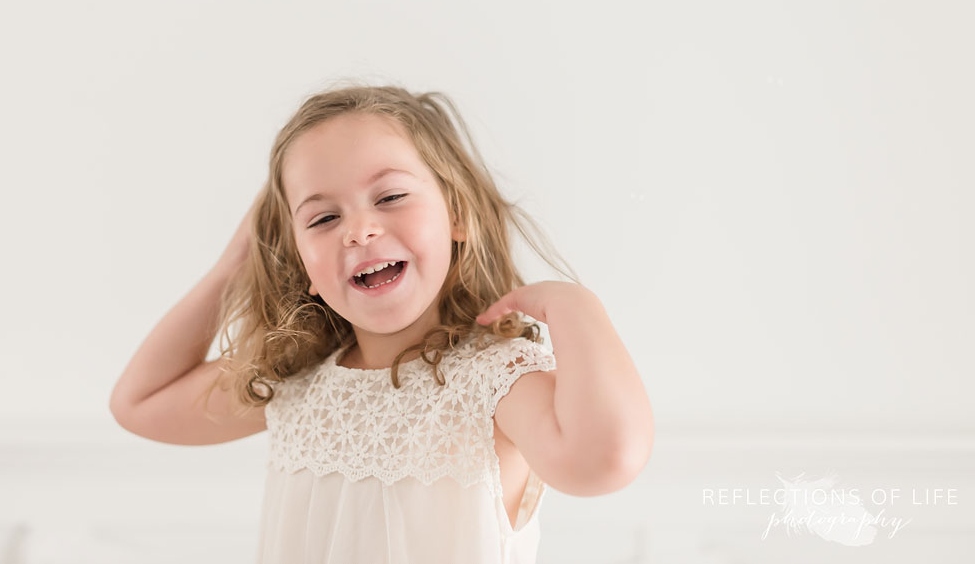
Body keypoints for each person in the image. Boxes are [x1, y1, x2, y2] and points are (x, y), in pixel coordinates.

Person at [109, 81, 653, 564]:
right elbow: (140, 404)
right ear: (302, 265)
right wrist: (234, 266)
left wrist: (578, 307)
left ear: (457, 215)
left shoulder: (491, 379)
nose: (360, 230)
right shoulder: (297, 385)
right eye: (323, 218)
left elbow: (604, 460)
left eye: (390, 196)